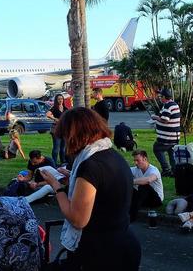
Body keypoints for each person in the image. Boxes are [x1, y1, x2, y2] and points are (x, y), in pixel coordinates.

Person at [40, 107, 141, 270]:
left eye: (66, 137)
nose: (65, 142)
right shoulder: (113, 156)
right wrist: (73, 179)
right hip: (124, 243)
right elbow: (102, 192)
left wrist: (56, 186)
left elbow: (78, 219)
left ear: (74, 136)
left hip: (101, 254)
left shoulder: (90, 166)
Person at [151, 88, 181, 177]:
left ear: (164, 97)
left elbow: (165, 119)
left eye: (161, 96)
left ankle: (166, 169)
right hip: (175, 136)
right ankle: (174, 171)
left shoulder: (168, 105)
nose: (159, 98)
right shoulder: (174, 104)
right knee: (171, 152)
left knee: (157, 148)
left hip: (167, 137)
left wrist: (155, 117)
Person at [130, 150, 164, 222]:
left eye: (137, 160)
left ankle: (131, 217)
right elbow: (123, 172)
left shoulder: (154, 170)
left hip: (156, 200)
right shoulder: (135, 170)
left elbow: (148, 180)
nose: (135, 163)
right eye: (134, 160)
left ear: (145, 159)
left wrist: (130, 182)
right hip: (144, 199)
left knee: (143, 186)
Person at [46, 93, 68, 166]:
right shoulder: (54, 108)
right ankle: (54, 163)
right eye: (58, 99)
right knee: (56, 147)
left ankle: (63, 162)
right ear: (56, 100)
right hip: (56, 129)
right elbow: (47, 114)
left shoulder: (65, 108)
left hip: (64, 130)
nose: (60, 100)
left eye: (61, 99)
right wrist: (55, 118)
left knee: (63, 148)